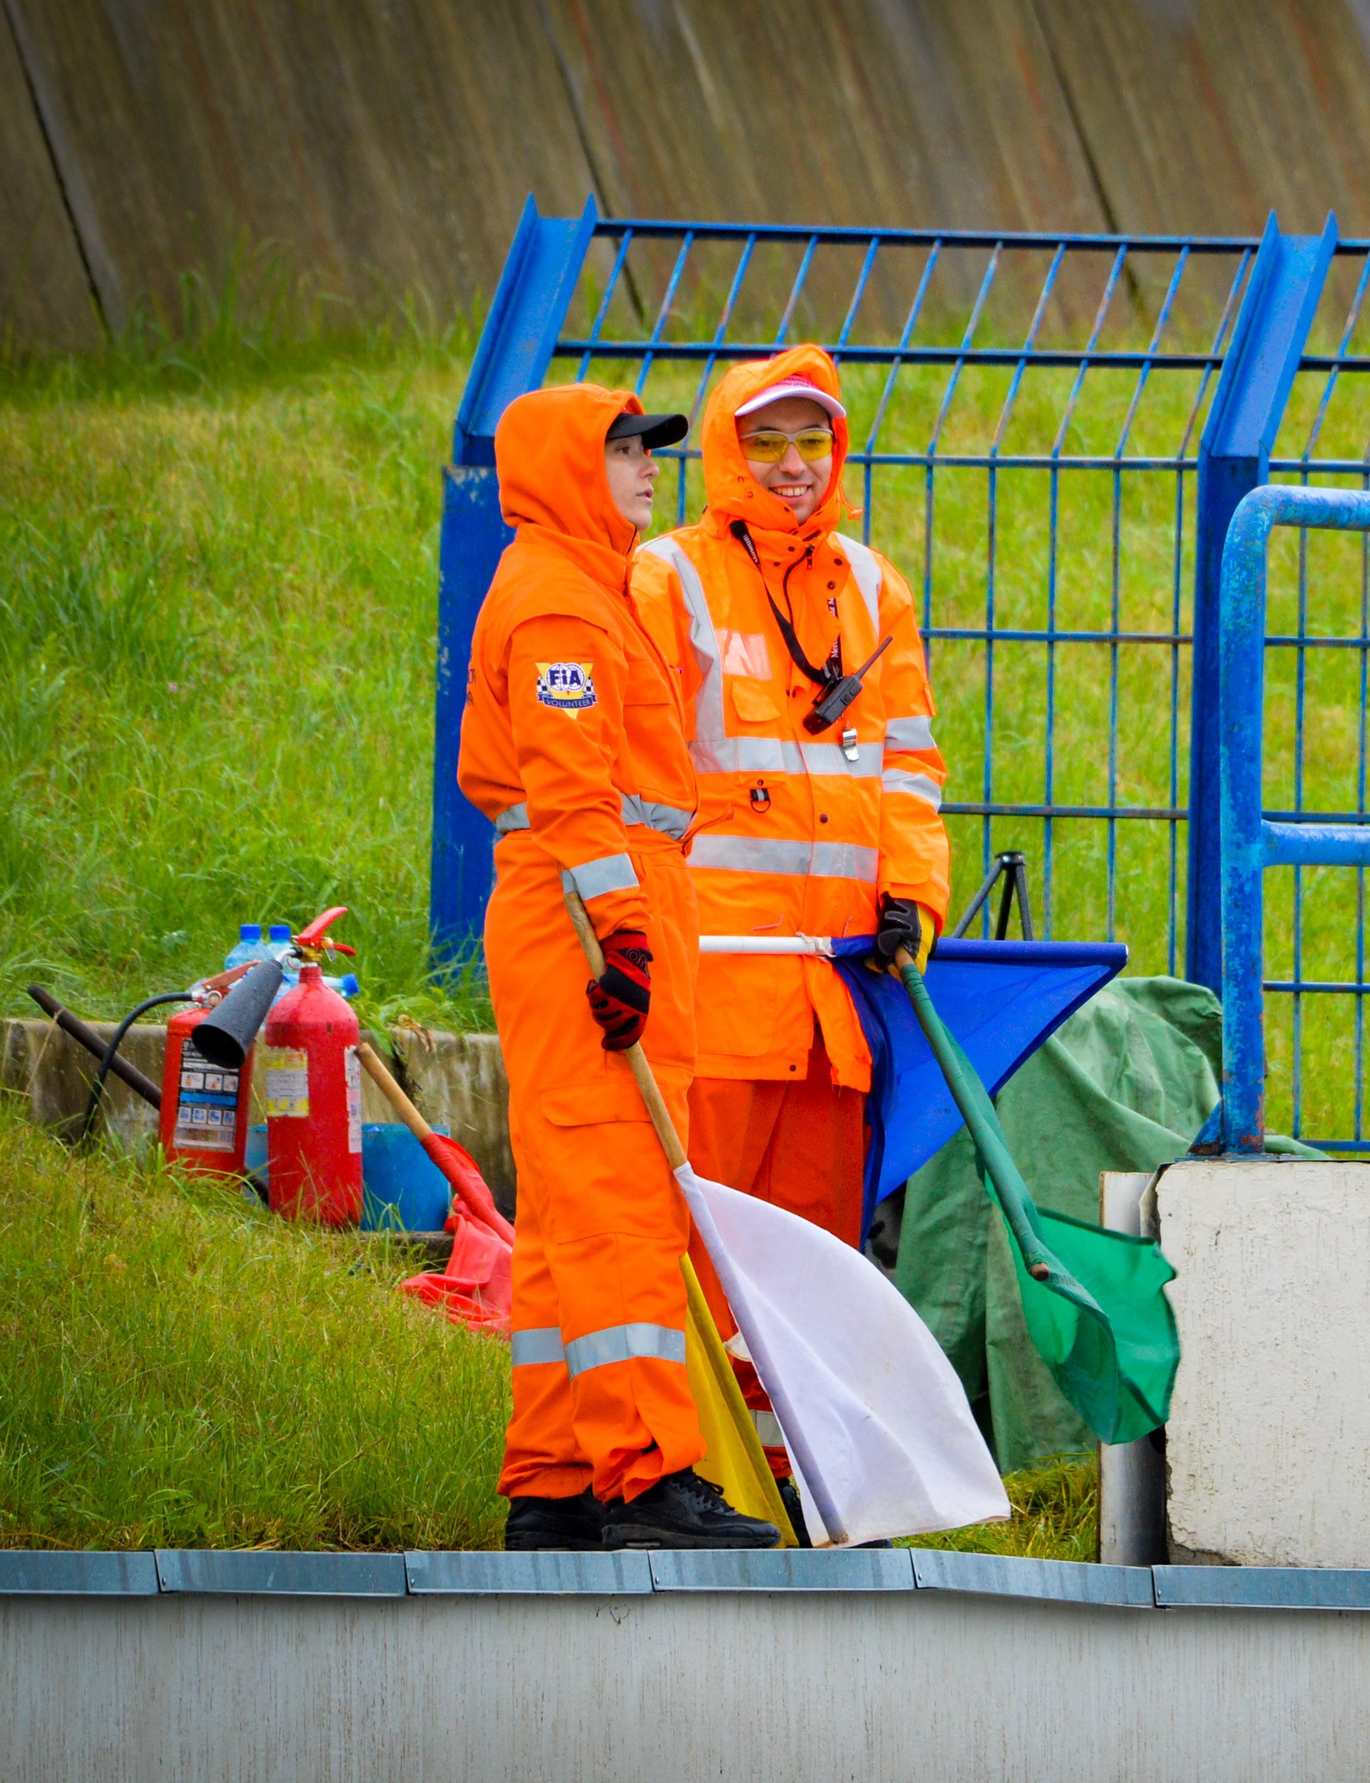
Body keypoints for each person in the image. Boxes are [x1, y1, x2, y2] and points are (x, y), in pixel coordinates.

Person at [458, 381, 777, 1552]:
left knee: (566, 1212)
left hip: (590, 909)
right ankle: (643, 1479)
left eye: (651, 450)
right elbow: (574, 791)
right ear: (563, 469)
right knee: (622, 1202)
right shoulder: (557, 601)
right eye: (626, 451)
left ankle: (552, 1482)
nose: (651, 468)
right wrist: (624, 935)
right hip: (586, 916)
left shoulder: (584, 586)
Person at [629, 346, 949, 1495]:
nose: (794, 464)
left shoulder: (873, 587)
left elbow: (910, 769)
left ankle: (805, 1493)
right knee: (699, 1263)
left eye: (812, 439)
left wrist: (913, 891)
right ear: (725, 451)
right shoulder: (668, 579)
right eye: (767, 440)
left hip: (831, 1001)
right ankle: (687, 1483)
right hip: (716, 990)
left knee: (815, 1273)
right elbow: (640, 781)